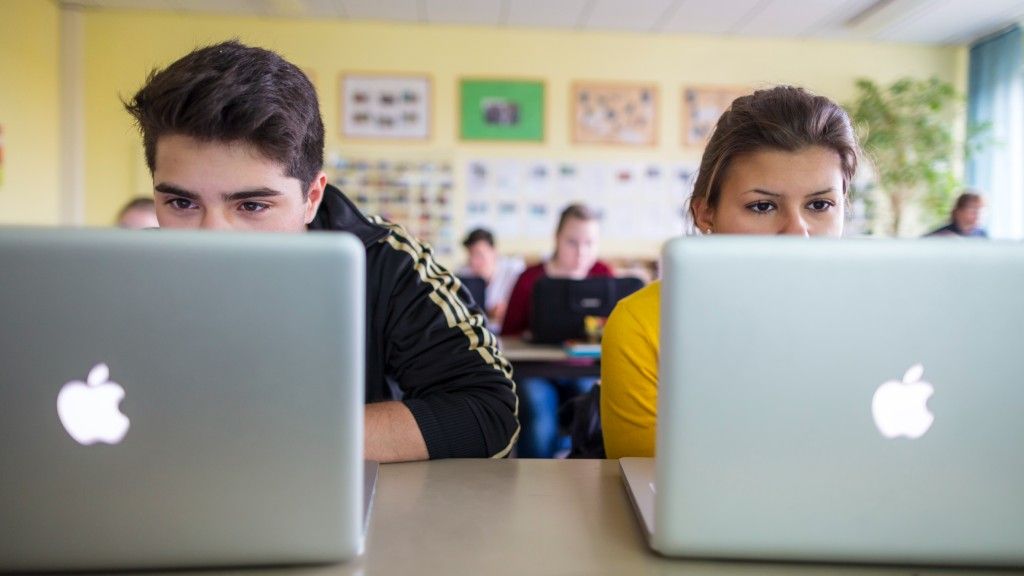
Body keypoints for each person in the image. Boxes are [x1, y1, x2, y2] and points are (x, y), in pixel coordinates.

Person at [124, 41, 517, 463]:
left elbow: (489, 413)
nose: (213, 238)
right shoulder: (116, 272)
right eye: (182, 203)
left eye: (252, 206)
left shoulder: (383, 261)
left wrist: (265, 439)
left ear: (312, 196)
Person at [601, 85, 860, 459]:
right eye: (762, 207)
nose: (797, 231)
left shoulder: (877, 320)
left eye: (820, 204)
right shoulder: (645, 324)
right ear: (705, 213)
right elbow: (649, 483)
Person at [502, 203, 613, 457]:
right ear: (557, 239)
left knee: (598, 412)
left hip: (585, 369)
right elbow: (507, 335)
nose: (581, 252)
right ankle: (534, 489)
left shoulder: (603, 275)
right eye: (572, 242)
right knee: (540, 417)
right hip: (536, 369)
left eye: (589, 243)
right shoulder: (530, 278)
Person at [457, 228, 525, 331]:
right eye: (471, 255)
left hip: (509, 334)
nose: (474, 262)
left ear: (494, 252)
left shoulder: (515, 270)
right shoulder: (463, 274)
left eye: (479, 254)